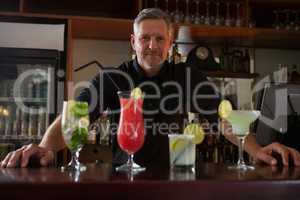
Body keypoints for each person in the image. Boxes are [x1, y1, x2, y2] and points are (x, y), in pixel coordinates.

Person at [1, 8, 300, 168]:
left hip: (177, 175)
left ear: (170, 44)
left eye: (159, 39)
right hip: (124, 177)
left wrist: (258, 150)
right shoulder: (111, 79)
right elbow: (74, 118)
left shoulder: (187, 76)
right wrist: (42, 148)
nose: (152, 46)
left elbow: (223, 121)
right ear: (133, 42)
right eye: (145, 38)